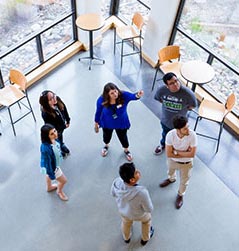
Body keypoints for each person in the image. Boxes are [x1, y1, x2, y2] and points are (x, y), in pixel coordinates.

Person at [94, 83, 144, 161]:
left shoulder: (123, 95)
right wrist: (96, 123)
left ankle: (126, 150)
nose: (115, 94)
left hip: (121, 123)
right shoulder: (101, 100)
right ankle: (106, 146)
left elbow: (133, 96)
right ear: (107, 94)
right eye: (112, 93)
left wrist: (138, 95)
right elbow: (98, 112)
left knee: (123, 137)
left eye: (115, 91)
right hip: (107, 123)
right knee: (106, 136)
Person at [111, 162, 154, 246]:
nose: (138, 171)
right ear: (132, 180)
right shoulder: (141, 192)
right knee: (146, 222)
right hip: (139, 215)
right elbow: (149, 209)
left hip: (124, 212)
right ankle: (145, 238)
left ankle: (126, 238)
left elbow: (112, 194)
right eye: (136, 172)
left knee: (126, 223)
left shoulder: (116, 182)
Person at [154, 72, 197, 155]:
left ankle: (176, 147)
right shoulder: (162, 90)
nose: (176, 84)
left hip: (180, 123)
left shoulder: (187, 93)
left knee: (180, 137)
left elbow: (193, 105)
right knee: (165, 134)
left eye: (176, 81)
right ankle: (163, 144)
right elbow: (158, 98)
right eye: (171, 83)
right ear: (167, 86)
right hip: (166, 120)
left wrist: (184, 109)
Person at [159, 115, 197, 209]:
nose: (188, 130)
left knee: (184, 181)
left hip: (187, 164)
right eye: (185, 129)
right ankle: (171, 179)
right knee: (170, 172)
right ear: (178, 130)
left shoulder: (192, 135)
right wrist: (185, 152)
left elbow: (192, 154)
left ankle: (180, 195)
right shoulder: (170, 135)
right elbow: (169, 153)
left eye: (188, 127)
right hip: (172, 161)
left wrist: (176, 152)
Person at [40, 124, 68, 201]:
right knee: (63, 181)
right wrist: (52, 174)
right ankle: (59, 191)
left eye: (55, 131)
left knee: (47, 174)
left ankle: (49, 187)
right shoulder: (46, 148)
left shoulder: (54, 140)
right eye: (52, 133)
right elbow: (48, 163)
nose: (55, 134)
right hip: (53, 167)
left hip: (52, 164)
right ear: (46, 136)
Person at [39, 90, 71, 156]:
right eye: (50, 99)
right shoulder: (46, 114)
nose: (54, 99)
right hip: (55, 130)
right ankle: (58, 150)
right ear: (46, 103)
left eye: (53, 95)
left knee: (60, 136)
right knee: (56, 140)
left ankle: (61, 144)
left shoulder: (57, 99)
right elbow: (52, 127)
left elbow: (64, 109)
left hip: (61, 127)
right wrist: (64, 126)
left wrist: (68, 120)